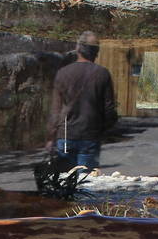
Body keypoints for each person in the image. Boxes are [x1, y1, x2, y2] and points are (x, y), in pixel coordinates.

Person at [45, 30, 119, 170]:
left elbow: (56, 110)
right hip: (90, 136)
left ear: (78, 49)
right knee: (86, 184)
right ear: (96, 52)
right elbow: (109, 110)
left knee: (65, 183)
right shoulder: (102, 74)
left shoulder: (63, 73)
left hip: (65, 135)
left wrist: (50, 137)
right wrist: (102, 130)